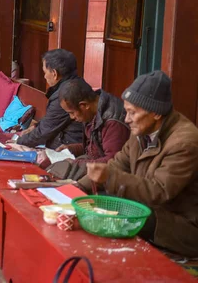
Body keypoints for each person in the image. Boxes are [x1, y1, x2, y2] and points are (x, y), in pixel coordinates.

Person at [82, 71, 198, 257]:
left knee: (123, 218)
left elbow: (159, 191)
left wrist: (109, 177)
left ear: (156, 113)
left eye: (132, 112)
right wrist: (79, 186)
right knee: (95, 202)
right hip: (146, 208)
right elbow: (117, 164)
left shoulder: (185, 142)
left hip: (179, 225)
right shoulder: (141, 131)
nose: (126, 119)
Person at [44, 78, 129, 179]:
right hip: (94, 162)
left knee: (65, 173)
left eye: (71, 113)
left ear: (84, 105)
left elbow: (113, 161)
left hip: (110, 174)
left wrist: (78, 163)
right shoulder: (92, 111)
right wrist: (72, 149)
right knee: (52, 168)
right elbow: (96, 147)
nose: (72, 117)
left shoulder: (113, 122)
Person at [16, 49, 84, 149]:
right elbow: (52, 120)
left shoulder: (66, 95)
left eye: (45, 72)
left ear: (54, 73)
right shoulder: (77, 83)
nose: (44, 76)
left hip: (66, 147)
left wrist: (18, 141)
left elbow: (44, 132)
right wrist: (35, 127)